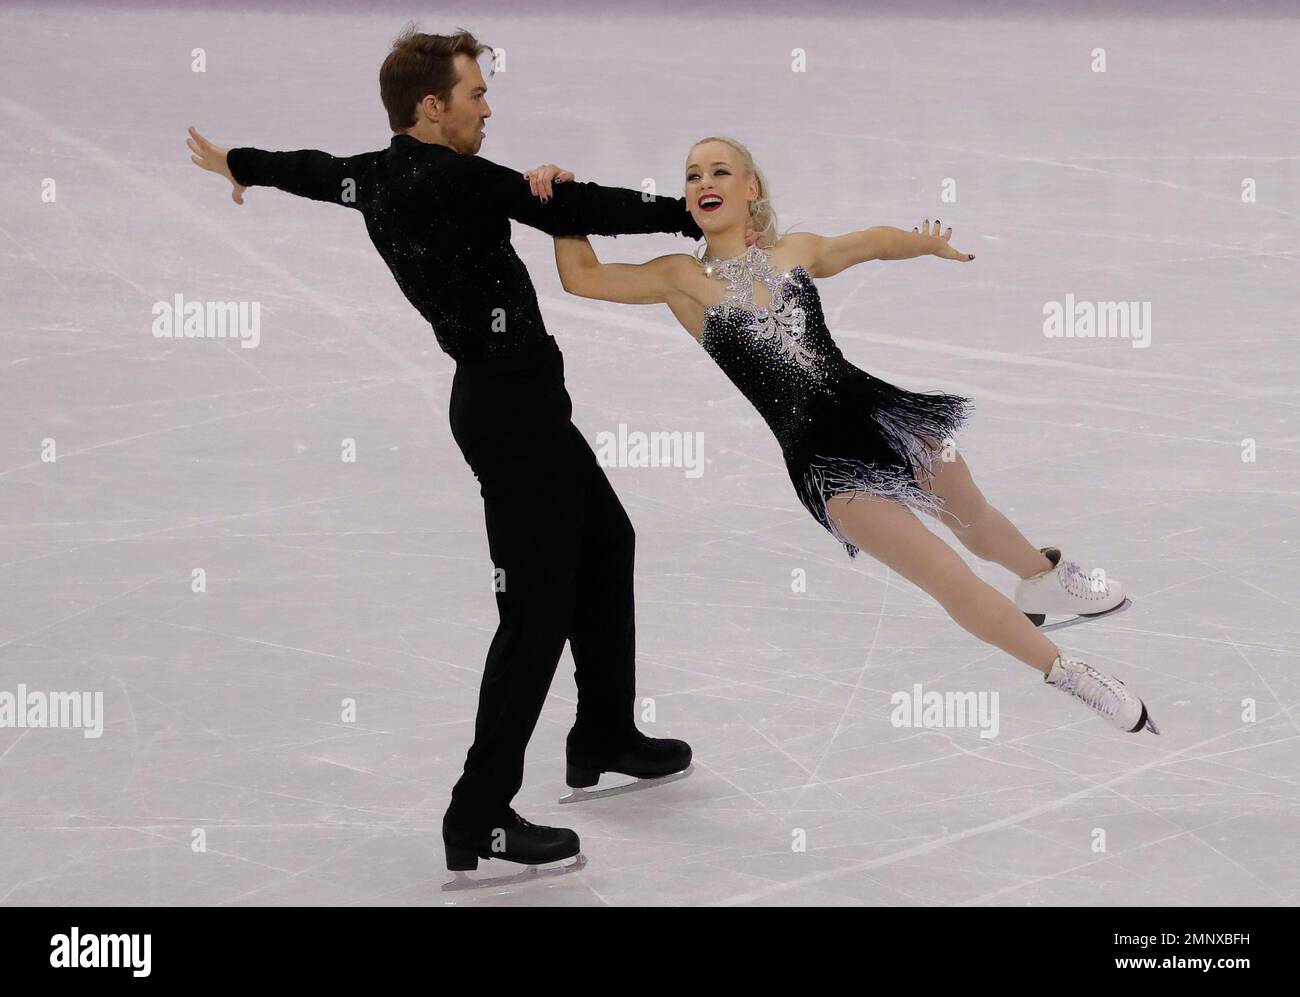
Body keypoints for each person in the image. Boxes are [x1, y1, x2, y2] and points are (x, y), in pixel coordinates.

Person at [186, 27, 705, 873]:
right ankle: (479, 815)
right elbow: (576, 210)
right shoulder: (453, 178)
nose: (488, 108)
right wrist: (689, 216)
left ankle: (604, 731)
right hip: (511, 414)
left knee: (608, 543)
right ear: (432, 107)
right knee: (535, 612)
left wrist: (241, 162)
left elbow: (312, 169)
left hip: (514, 401)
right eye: (475, 96)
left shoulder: (377, 173)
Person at [544, 135, 1159, 735]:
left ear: (751, 186)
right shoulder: (679, 277)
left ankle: (1043, 577)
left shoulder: (794, 252)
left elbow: (866, 244)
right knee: (947, 575)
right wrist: (562, 205)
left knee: (972, 512)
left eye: (720, 171)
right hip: (822, 458)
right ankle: (1069, 673)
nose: (705, 182)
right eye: (692, 174)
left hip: (882, 412)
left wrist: (924, 243)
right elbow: (583, 277)